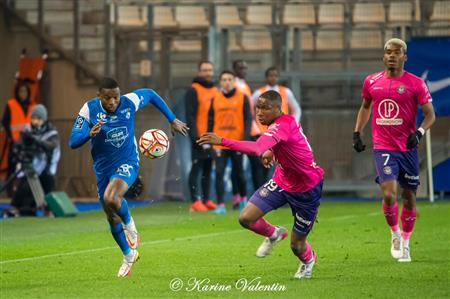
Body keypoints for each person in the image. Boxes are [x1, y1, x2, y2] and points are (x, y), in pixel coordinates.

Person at [198, 90, 324, 279]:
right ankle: (274, 234)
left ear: (277, 108)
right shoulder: (281, 124)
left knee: (296, 246)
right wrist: (272, 151)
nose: (259, 112)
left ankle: (308, 260)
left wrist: (222, 141)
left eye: (265, 108)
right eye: (258, 107)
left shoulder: (282, 124)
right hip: (281, 182)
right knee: (246, 218)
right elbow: (289, 144)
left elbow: (257, 148)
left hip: (306, 189)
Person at [69, 78, 188, 277]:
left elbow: (150, 93)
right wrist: (89, 133)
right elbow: (73, 141)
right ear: (99, 96)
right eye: (107, 98)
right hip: (102, 169)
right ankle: (128, 255)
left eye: (115, 97)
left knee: (111, 198)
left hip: (128, 162)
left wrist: (172, 119)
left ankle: (130, 224)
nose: (113, 102)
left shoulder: (129, 101)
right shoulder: (89, 109)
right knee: (110, 213)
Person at [353, 38, 435, 262]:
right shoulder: (371, 81)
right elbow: (366, 107)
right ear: (383, 56)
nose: (391, 56)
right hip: (383, 147)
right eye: (388, 52)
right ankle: (395, 234)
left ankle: (407, 243)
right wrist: (357, 132)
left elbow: (430, 114)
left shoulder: (416, 83)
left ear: (404, 57)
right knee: (388, 193)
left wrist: (418, 133)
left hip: (407, 149)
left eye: (396, 53)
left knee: (409, 197)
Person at [250, 67, 302, 188]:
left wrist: (293, 125)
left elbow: (296, 109)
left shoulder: (286, 92)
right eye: (270, 75)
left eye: (275, 75)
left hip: (282, 135)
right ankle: (261, 192)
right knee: (262, 166)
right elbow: (249, 110)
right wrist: (255, 128)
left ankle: (285, 192)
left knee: (284, 164)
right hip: (265, 134)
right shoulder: (259, 93)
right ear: (266, 77)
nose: (273, 78)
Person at [208, 70, 251, 214]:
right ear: (220, 82)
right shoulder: (215, 98)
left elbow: (248, 119)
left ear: (234, 81)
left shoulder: (243, 97)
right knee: (219, 173)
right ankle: (220, 205)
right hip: (219, 142)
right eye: (224, 79)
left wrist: (245, 140)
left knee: (239, 172)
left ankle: (243, 200)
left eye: (229, 79)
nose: (227, 82)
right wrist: (209, 139)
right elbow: (210, 120)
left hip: (237, 141)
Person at [9, 104, 60, 216]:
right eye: (33, 118)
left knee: (48, 181)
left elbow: (51, 146)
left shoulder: (51, 133)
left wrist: (37, 141)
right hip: (30, 168)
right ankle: (20, 208)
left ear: (44, 119)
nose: (35, 121)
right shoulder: (27, 132)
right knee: (25, 184)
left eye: (38, 118)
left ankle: (48, 209)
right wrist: (20, 154)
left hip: (46, 170)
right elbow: (18, 147)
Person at [185, 61, 219, 212]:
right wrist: (195, 137)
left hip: (212, 137)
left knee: (208, 167)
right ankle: (194, 201)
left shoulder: (216, 91)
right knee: (197, 167)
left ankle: (206, 199)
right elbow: (190, 116)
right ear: (199, 72)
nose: (208, 73)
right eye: (205, 70)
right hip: (198, 136)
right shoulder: (193, 90)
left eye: (210, 70)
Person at [231, 59, 259, 209]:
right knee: (238, 166)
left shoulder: (245, 85)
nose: (243, 70)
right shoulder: (234, 85)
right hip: (240, 132)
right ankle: (238, 198)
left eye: (245, 67)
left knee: (256, 164)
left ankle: (256, 197)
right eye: (240, 67)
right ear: (234, 69)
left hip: (251, 130)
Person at [2, 80, 36, 196]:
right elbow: (5, 122)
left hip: (29, 143)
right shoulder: (11, 104)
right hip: (15, 142)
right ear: (17, 92)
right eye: (21, 91)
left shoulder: (33, 105)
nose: (23, 94)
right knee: (12, 169)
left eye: (25, 91)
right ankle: (10, 193)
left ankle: (28, 192)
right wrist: (11, 138)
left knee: (29, 168)